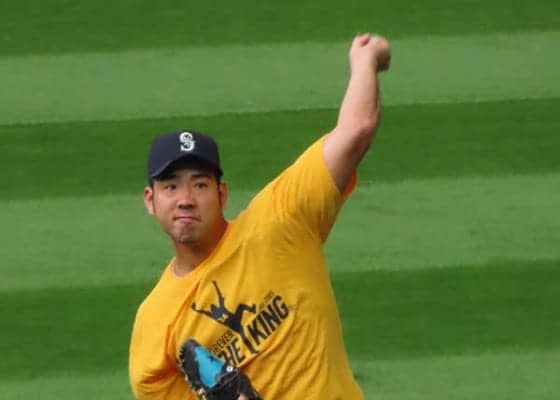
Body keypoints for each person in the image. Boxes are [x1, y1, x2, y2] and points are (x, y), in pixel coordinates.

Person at [129, 33, 391, 399]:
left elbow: (356, 129)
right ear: (150, 200)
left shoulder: (282, 219)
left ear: (222, 193)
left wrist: (365, 60)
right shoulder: (155, 328)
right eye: (171, 187)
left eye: (200, 185)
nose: (186, 200)